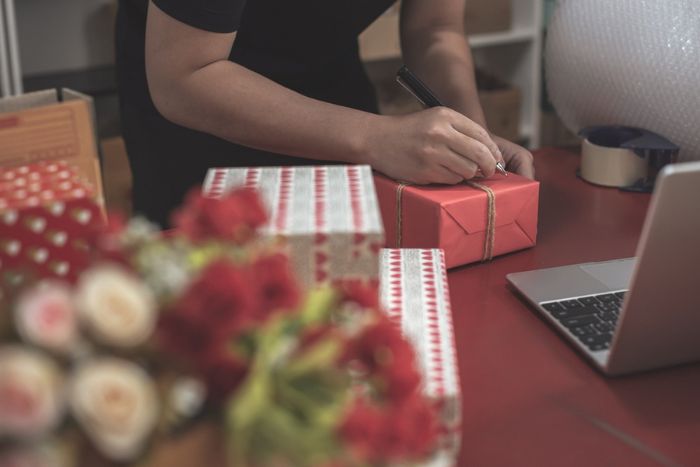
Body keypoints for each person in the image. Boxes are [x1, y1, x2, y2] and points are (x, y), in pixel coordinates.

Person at [116, 0, 535, 227]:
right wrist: (377, 138)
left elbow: (435, 28)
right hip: (202, 111)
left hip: (331, 86)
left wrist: (471, 134)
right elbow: (182, 78)